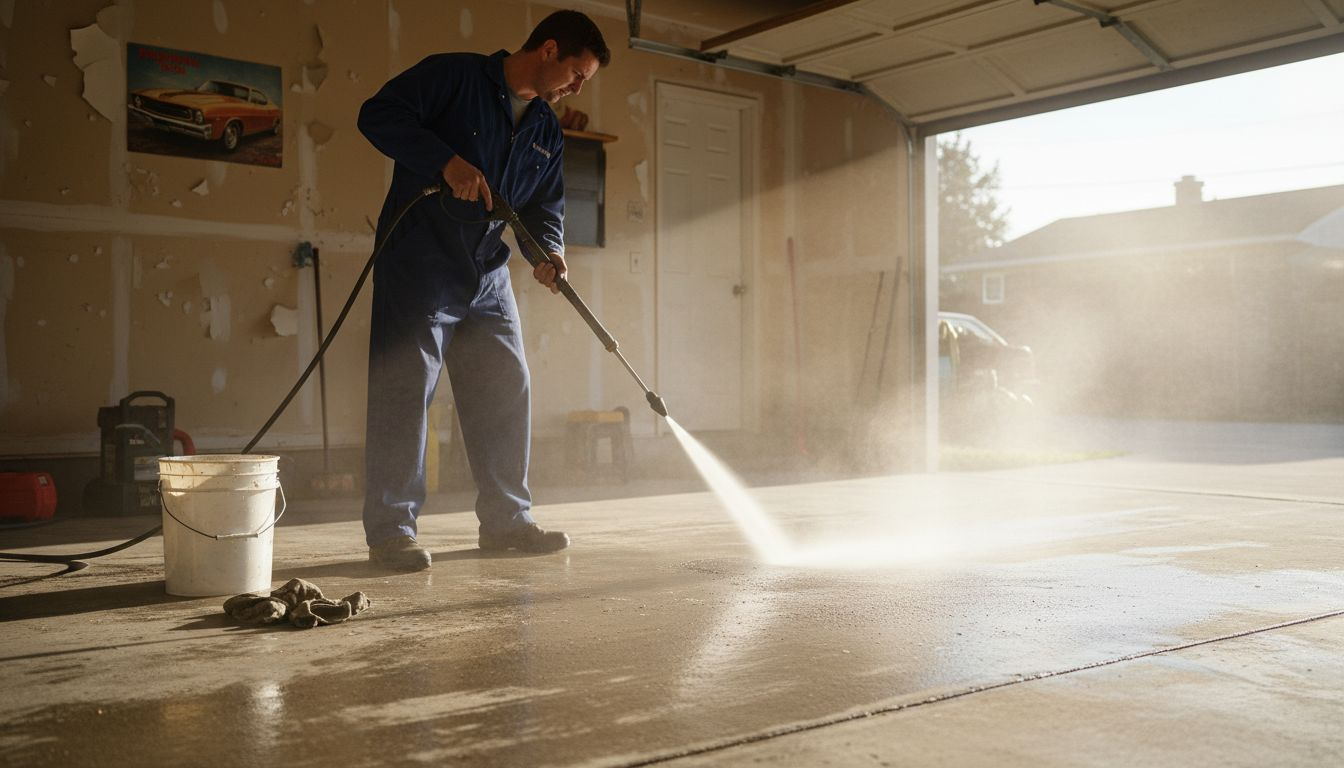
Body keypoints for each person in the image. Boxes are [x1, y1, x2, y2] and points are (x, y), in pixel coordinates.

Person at [357, 10, 610, 572]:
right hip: (421, 261)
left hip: (487, 272)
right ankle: (393, 531)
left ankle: (507, 522)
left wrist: (548, 252)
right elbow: (376, 115)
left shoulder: (545, 128)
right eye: (577, 74)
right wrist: (445, 161)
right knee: (406, 391)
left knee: (506, 385)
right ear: (548, 50)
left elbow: (545, 207)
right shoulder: (454, 77)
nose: (575, 88)